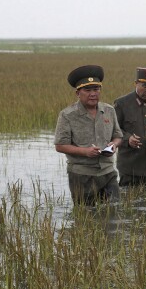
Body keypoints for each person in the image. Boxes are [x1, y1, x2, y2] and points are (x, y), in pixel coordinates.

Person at [54, 65, 123, 206]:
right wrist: (85, 152)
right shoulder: (67, 115)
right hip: (81, 175)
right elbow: (60, 146)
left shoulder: (109, 110)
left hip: (108, 172)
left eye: (96, 89)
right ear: (78, 93)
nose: (93, 94)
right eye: (87, 90)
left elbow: (118, 136)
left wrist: (114, 144)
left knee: (114, 211)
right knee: (85, 216)